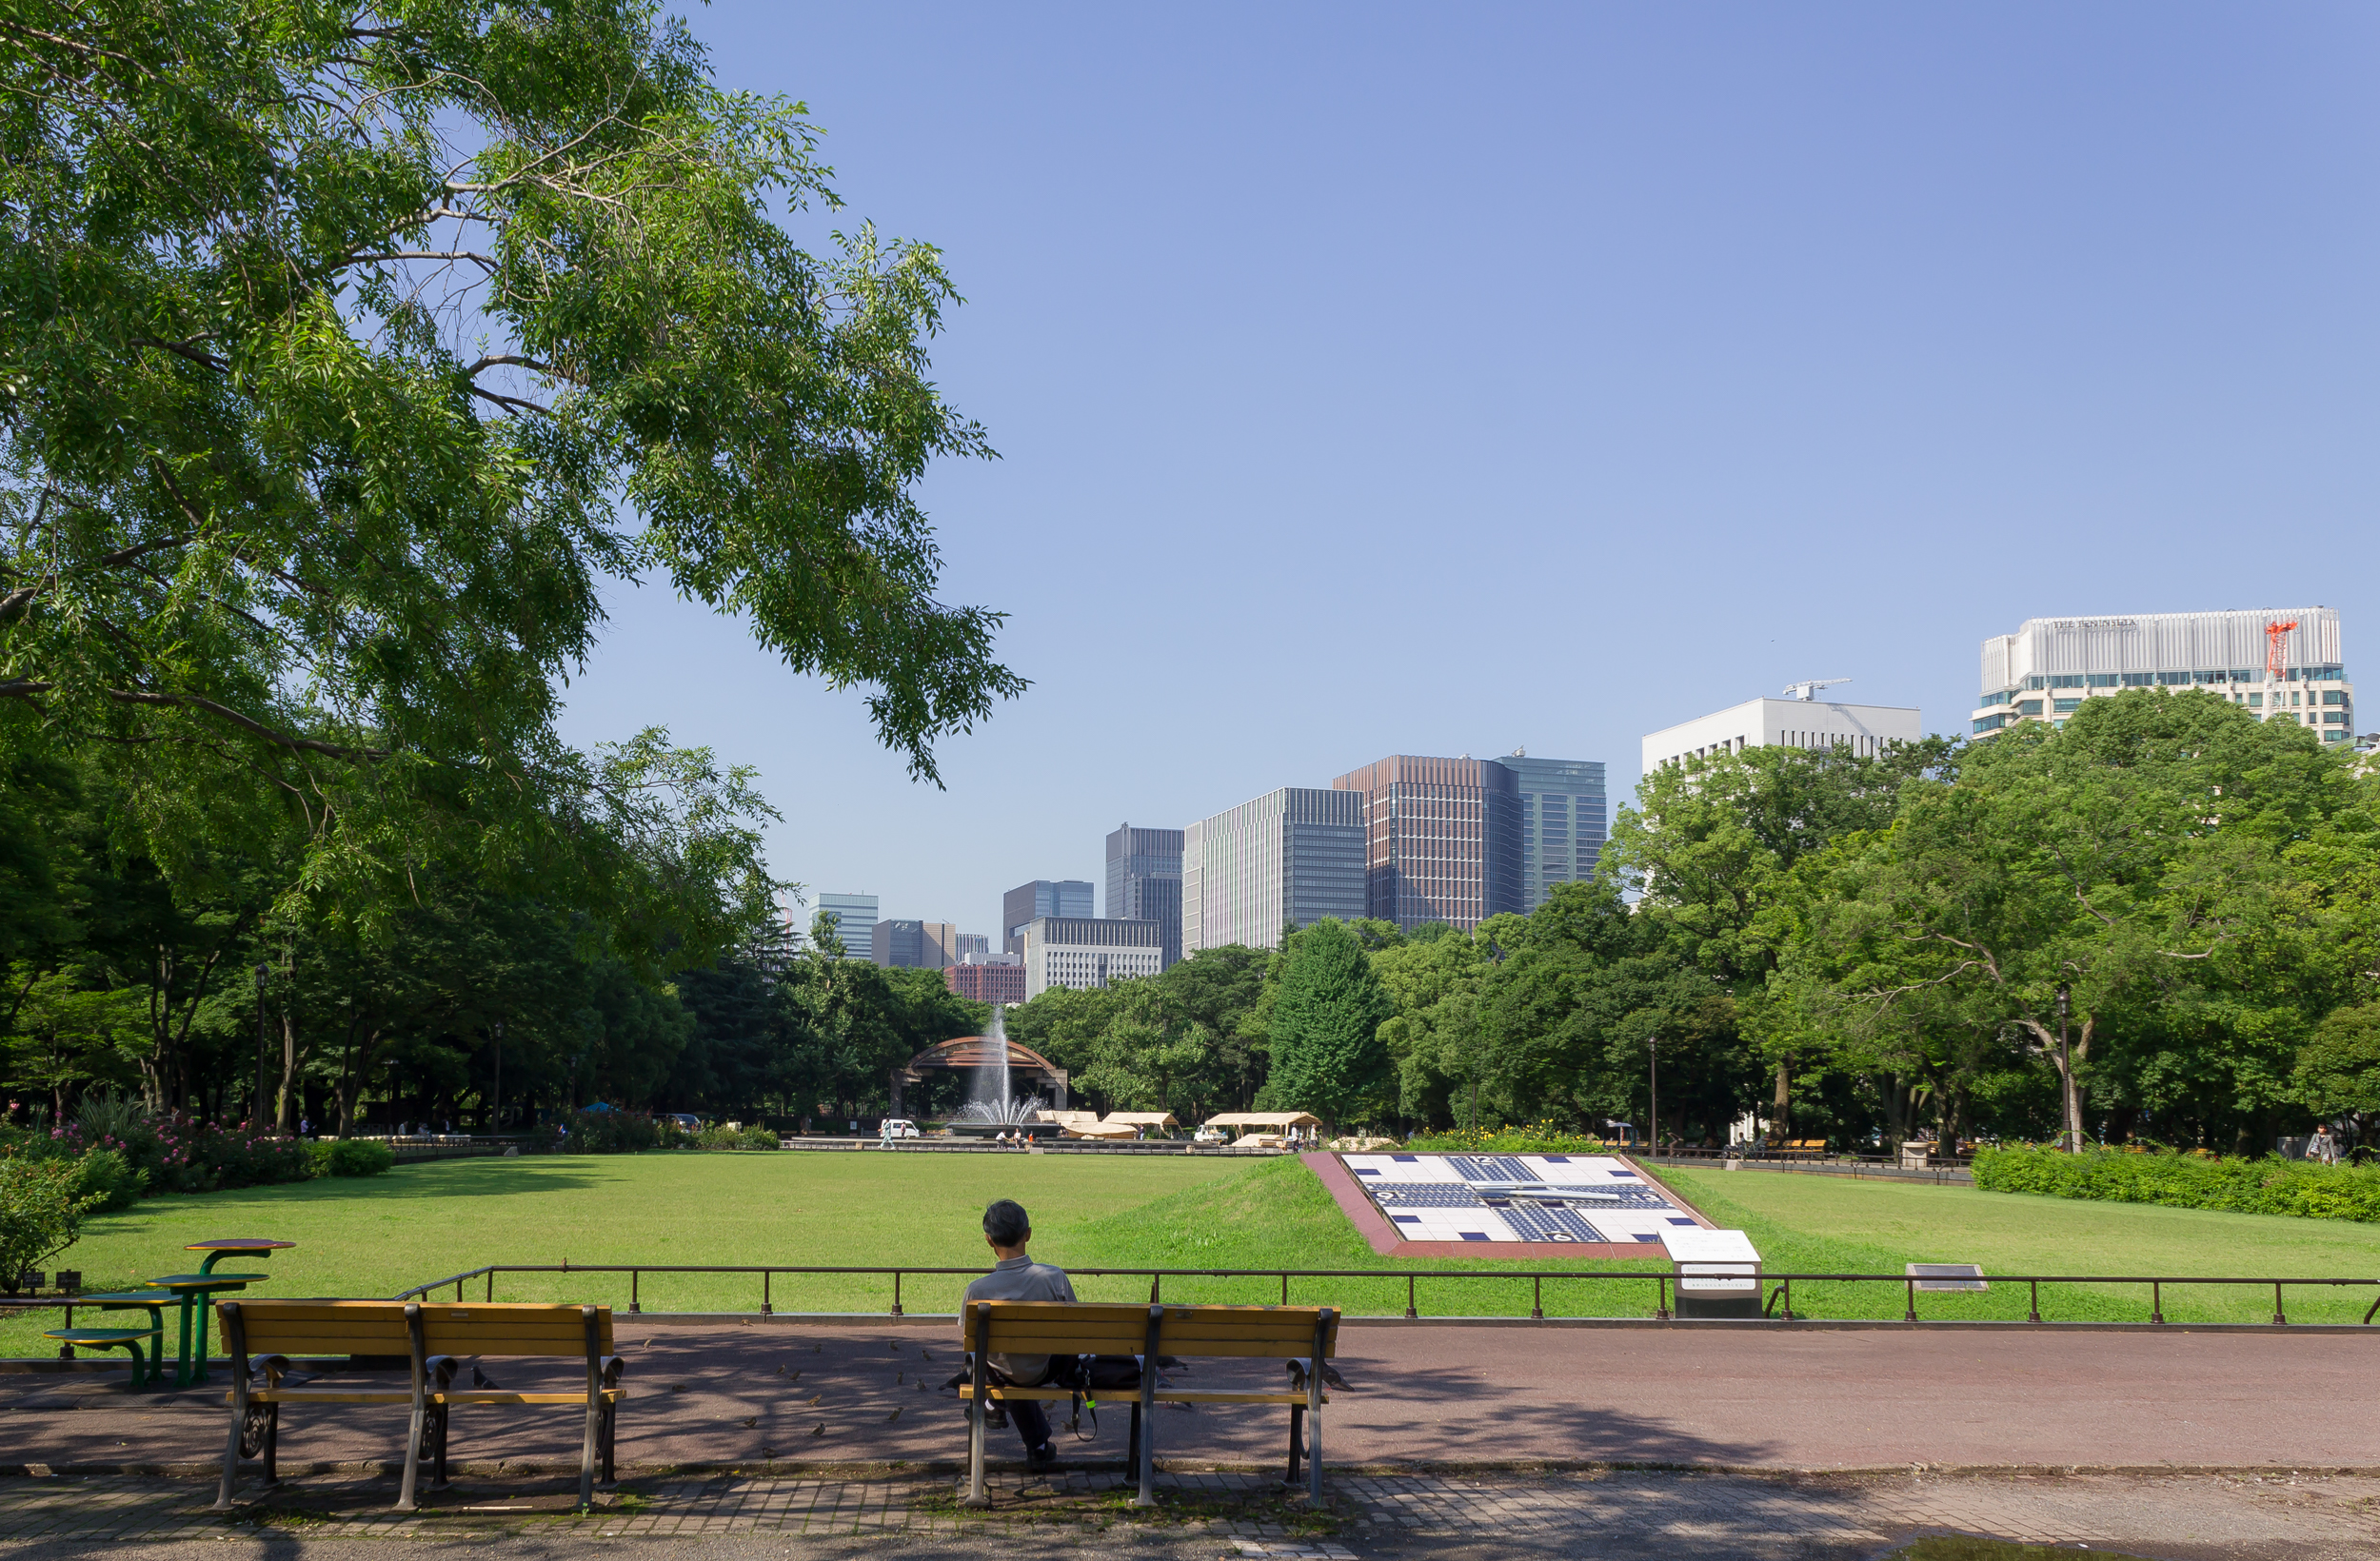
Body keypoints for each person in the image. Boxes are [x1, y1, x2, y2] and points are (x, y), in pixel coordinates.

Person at [961, 1198, 1075, 1471]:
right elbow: (1074, 1332)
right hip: (1047, 1369)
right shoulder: (1054, 1278)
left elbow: (969, 1342)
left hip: (1000, 1372)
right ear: (1028, 1234)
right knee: (1017, 1371)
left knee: (997, 1367)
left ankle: (993, 1405)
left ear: (989, 1241)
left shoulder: (976, 1291)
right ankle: (1037, 1447)